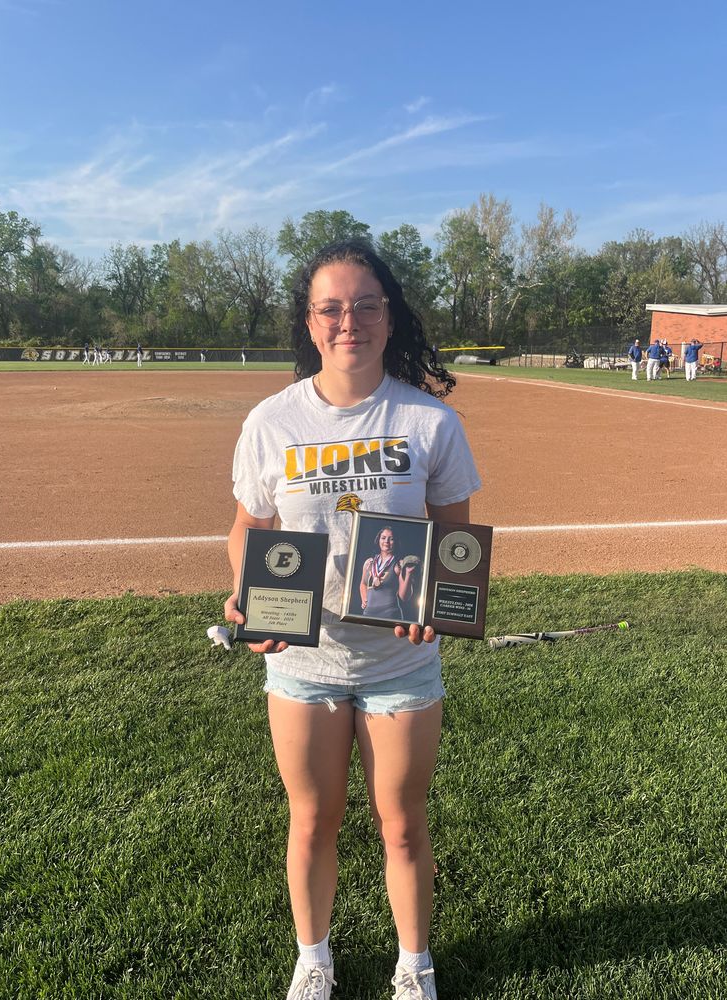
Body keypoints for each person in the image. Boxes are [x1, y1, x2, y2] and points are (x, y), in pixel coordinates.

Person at [224, 240, 481, 1000]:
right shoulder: (272, 421)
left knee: (401, 824)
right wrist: (243, 594)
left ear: (388, 315)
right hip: (302, 662)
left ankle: (415, 966)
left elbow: (453, 538)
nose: (350, 321)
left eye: (366, 305)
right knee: (312, 820)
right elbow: (248, 528)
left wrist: (438, 600)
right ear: (309, 323)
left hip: (400, 665)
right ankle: (314, 958)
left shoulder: (430, 422)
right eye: (331, 307)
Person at [359, 526, 416, 619]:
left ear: (396, 542)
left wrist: (409, 573)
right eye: (383, 538)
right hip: (368, 614)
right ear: (378, 540)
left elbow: (404, 597)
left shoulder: (399, 564)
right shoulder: (369, 563)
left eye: (391, 539)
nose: (386, 541)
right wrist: (364, 598)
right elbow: (363, 583)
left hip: (390, 615)